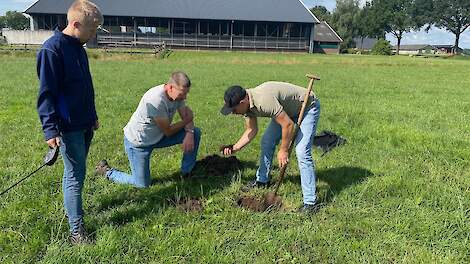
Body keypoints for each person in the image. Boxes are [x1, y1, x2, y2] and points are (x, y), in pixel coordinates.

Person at [36, 0, 103, 244]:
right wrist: (50, 128)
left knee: (76, 172)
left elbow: (86, 86)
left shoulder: (78, 48)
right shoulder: (51, 50)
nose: (93, 35)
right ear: (75, 24)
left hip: (84, 122)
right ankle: (76, 231)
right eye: (92, 30)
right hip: (67, 126)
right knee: (75, 174)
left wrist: (92, 115)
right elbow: (46, 94)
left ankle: (73, 209)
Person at [220, 81, 321, 213]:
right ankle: (262, 180)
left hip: (306, 107)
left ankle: (310, 202)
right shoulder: (247, 107)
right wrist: (235, 148)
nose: (233, 113)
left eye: (233, 110)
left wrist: (283, 150)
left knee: (302, 151)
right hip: (285, 112)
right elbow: (251, 130)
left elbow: (288, 125)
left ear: (242, 102)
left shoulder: (263, 101)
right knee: (267, 141)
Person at [96, 71, 201, 188]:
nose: (185, 97)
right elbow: (169, 131)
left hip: (159, 136)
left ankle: (186, 172)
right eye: (182, 94)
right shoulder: (155, 100)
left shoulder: (177, 97)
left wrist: (190, 133)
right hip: (139, 144)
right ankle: (107, 172)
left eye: (186, 94)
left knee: (195, 132)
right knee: (142, 185)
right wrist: (187, 121)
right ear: (170, 87)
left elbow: (185, 116)